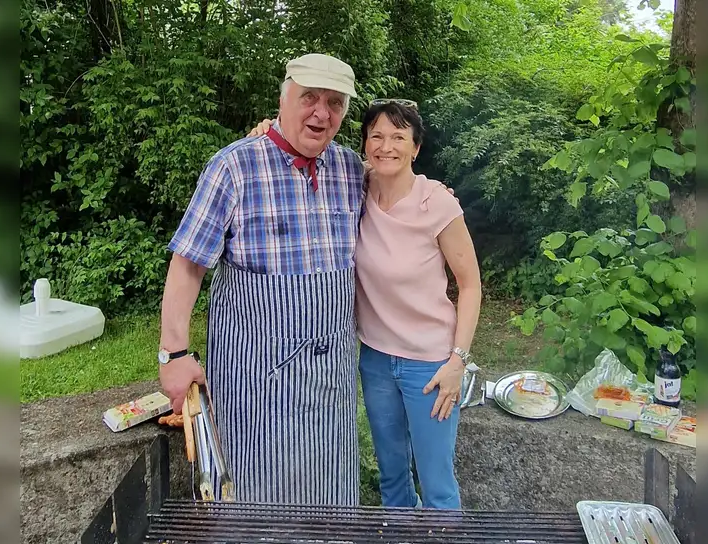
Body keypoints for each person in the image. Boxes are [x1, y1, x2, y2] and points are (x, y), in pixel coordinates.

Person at [252, 100, 482, 508]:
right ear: (364, 146)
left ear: (416, 147)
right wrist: (266, 132)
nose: (386, 145)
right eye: (376, 136)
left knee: (436, 479)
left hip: (429, 363)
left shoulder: (438, 204)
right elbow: (296, 151)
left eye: (398, 137)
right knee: (391, 472)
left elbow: (470, 285)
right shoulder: (357, 184)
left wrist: (457, 361)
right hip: (375, 358)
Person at [159, 54, 366, 505]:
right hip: (257, 389)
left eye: (334, 102)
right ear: (283, 98)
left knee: (330, 503)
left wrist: (434, 198)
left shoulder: (351, 170)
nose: (321, 112)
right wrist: (173, 353)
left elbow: (401, 196)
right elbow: (187, 264)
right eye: (309, 98)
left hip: (330, 385)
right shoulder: (234, 167)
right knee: (255, 510)